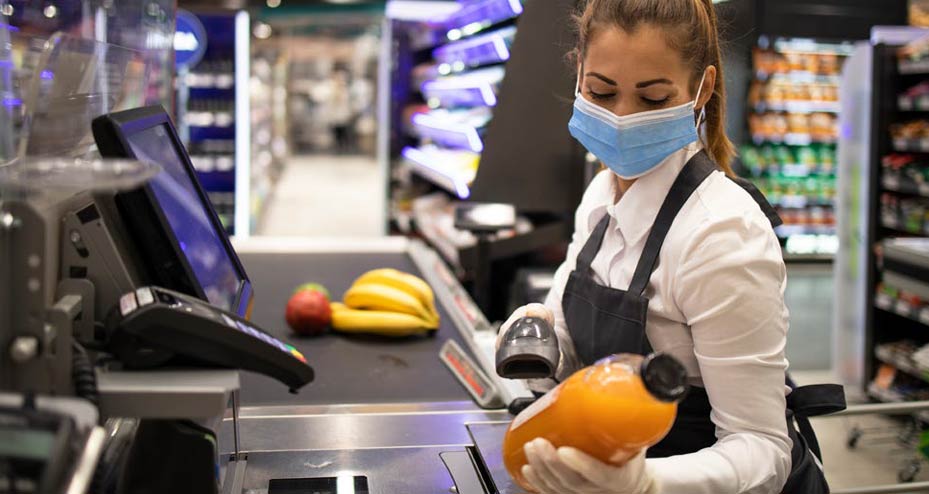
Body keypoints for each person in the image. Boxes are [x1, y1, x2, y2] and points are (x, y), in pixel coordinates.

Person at [497, 0, 844, 493]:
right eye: (601, 91)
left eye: (653, 98)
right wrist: (543, 345)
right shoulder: (601, 194)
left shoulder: (721, 235)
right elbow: (576, 358)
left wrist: (648, 484)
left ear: (701, 88)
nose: (621, 118)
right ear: (579, 72)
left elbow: (763, 448)